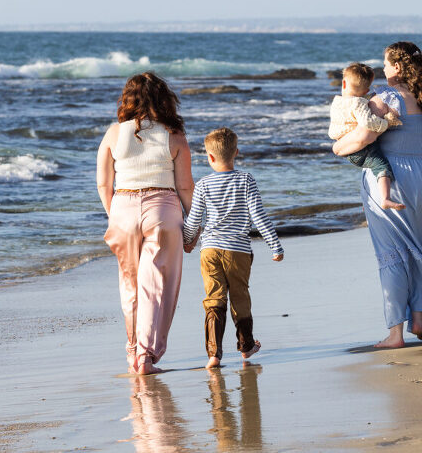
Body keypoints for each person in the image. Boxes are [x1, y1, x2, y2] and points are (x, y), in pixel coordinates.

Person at [332, 41, 422, 348]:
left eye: (387, 64)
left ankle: (395, 335)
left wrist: (338, 147)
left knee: (393, 255)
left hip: (394, 181)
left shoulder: (388, 97)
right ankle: (419, 320)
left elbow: (365, 134)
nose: (383, 70)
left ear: (398, 67)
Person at [96, 72, 194, 374]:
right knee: (157, 286)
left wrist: (115, 215)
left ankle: (131, 349)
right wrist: (193, 227)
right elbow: (186, 187)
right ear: (165, 100)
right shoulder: (174, 135)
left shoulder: (114, 133)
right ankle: (146, 356)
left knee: (129, 284)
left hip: (122, 207)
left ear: (128, 99)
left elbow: (103, 183)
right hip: (162, 209)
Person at [182, 127, 284, 369]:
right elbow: (258, 215)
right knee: (240, 296)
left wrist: (187, 241)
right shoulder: (246, 179)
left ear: (209, 157)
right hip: (237, 250)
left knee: (214, 298)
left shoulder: (203, 184)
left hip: (209, 249)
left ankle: (214, 355)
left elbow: (194, 219)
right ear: (236, 152)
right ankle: (246, 346)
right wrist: (274, 245)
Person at [328, 62, 404, 210]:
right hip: (360, 149)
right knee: (381, 167)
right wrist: (387, 122)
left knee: (371, 167)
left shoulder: (337, 102)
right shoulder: (359, 103)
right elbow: (368, 122)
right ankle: (385, 198)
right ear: (366, 91)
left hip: (344, 145)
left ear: (343, 83)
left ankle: (369, 199)